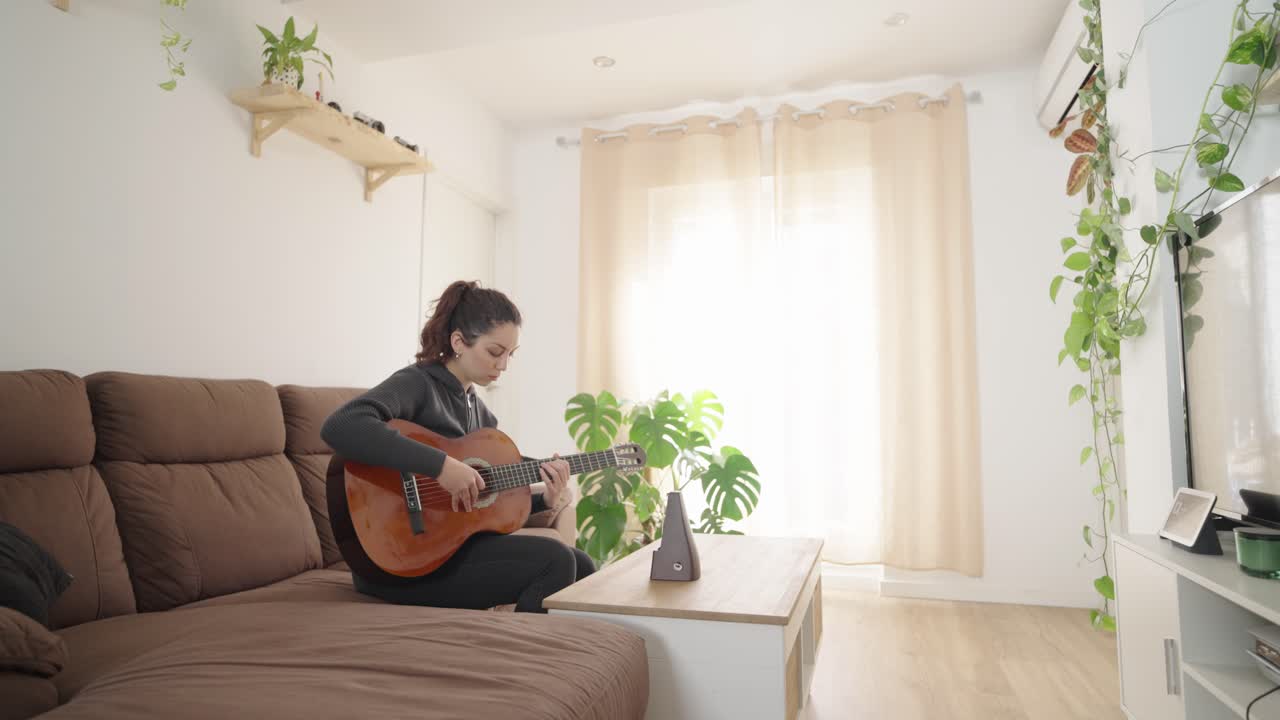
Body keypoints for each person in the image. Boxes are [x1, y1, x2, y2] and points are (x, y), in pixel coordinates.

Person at [320, 280, 595, 613]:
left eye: (510, 354)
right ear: (459, 342)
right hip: (397, 563)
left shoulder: (480, 414)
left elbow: (484, 507)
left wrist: (545, 499)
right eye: (495, 352)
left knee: (582, 566)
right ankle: (519, 654)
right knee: (555, 560)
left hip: (445, 553)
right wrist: (441, 466)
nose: (503, 365)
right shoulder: (417, 383)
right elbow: (341, 425)